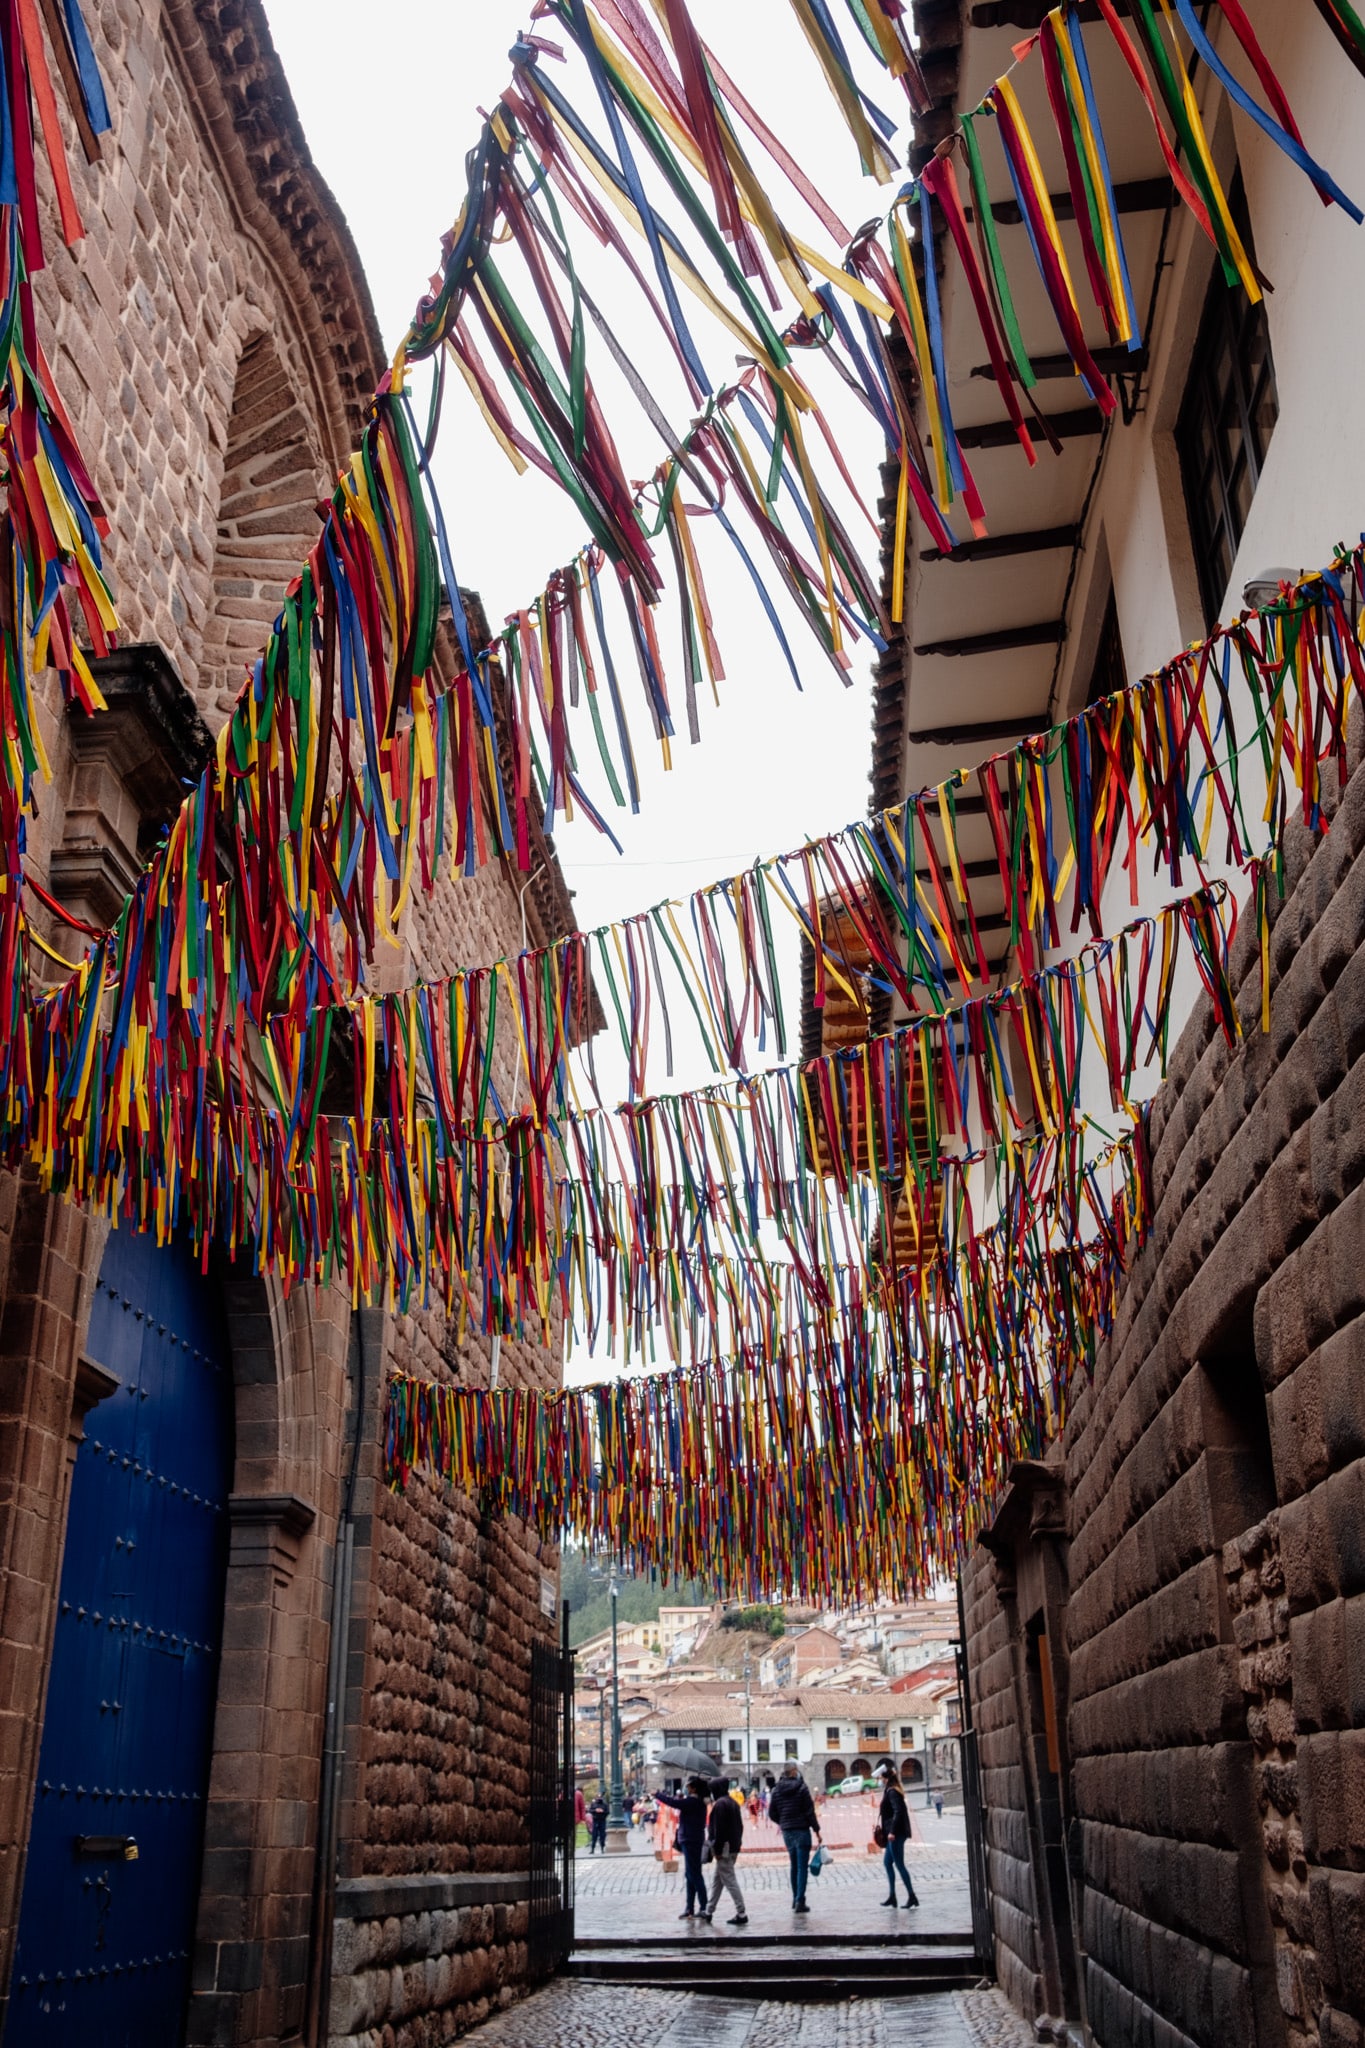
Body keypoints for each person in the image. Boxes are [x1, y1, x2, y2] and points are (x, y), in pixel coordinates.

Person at [768, 1761, 821, 1912]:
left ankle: (795, 1898)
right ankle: (800, 1901)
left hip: (788, 1832)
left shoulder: (776, 1790)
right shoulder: (802, 1788)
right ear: (793, 1772)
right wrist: (817, 1830)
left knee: (794, 1865)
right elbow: (809, 1812)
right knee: (802, 1867)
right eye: (796, 1770)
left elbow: (772, 1813)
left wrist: (783, 1822)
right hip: (802, 1830)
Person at [656, 1775, 710, 1918]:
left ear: (693, 1788)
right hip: (693, 1839)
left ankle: (704, 1907)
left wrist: (658, 1794)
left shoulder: (692, 1802)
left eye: (688, 1786)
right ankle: (690, 1907)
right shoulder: (699, 1802)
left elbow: (673, 1802)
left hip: (690, 1840)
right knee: (690, 1874)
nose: (686, 1788)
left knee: (695, 1874)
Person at [699, 1776, 748, 1925]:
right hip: (733, 1847)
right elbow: (740, 1827)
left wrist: (718, 1850)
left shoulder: (720, 1804)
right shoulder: (733, 1802)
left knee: (729, 1880)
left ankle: (741, 1912)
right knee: (718, 1881)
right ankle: (709, 1910)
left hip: (724, 1849)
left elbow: (719, 1830)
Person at [875, 1762, 918, 1908]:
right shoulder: (890, 1790)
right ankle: (892, 1896)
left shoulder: (892, 1792)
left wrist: (892, 1831)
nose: (880, 1781)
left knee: (899, 1865)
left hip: (896, 1834)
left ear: (886, 1778)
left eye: (881, 1778)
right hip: (892, 1833)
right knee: (887, 1863)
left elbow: (898, 1811)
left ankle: (912, 1896)